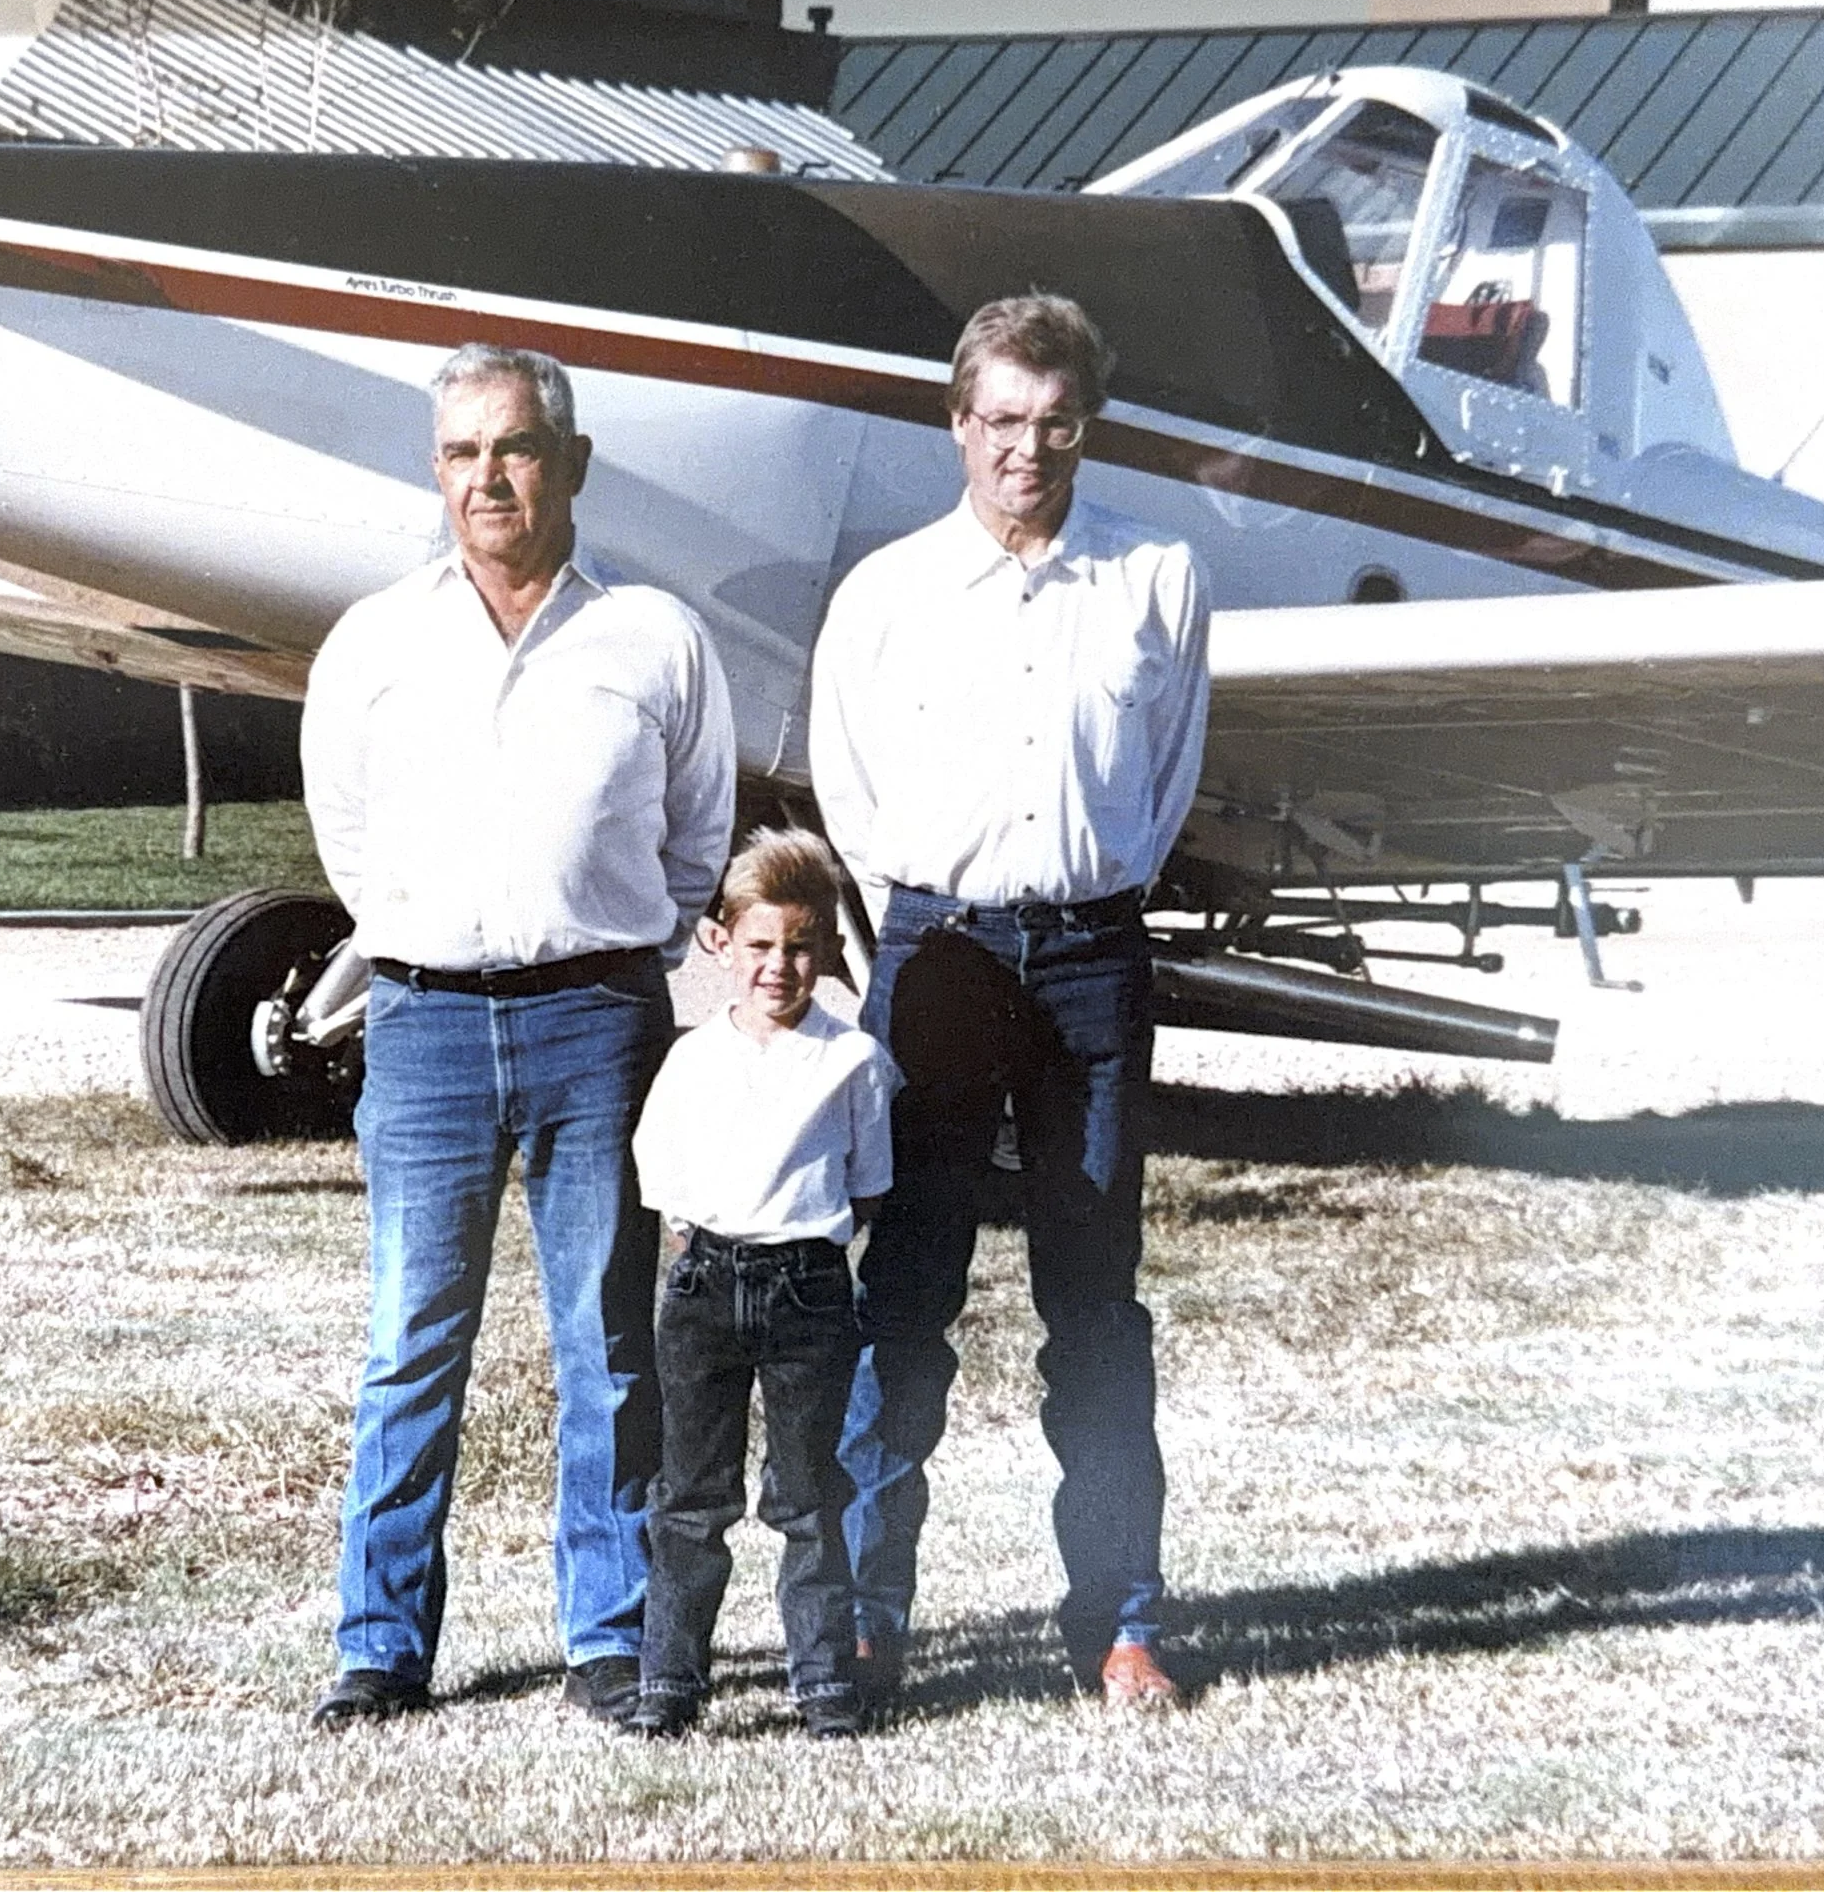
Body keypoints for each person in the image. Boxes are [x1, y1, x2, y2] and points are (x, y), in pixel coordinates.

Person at [299, 343, 737, 1725]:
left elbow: (698, 837)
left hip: (596, 1023)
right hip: (425, 1026)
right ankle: (381, 1645)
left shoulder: (655, 638)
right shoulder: (374, 640)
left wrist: (599, 942)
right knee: (409, 1341)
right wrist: (439, 937)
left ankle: (608, 1635)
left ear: (574, 460)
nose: (489, 476)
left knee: (608, 1338)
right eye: (461, 452)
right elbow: (351, 839)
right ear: (437, 471)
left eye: (517, 446)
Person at [808, 293, 1211, 1711]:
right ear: (956, 423)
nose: (1025, 450)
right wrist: (944, 922)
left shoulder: (1158, 578)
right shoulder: (887, 594)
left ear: (1084, 425)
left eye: (1053, 422)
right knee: (903, 1291)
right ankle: (867, 1616)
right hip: (938, 961)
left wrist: (1077, 902)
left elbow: (1161, 784)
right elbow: (851, 789)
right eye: (999, 421)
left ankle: (1120, 1620)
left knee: (1094, 1305)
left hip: (1095, 962)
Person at [624, 828, 899, 1741]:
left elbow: (866, 1184)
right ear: (722, 944)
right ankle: (670, 1676)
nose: (778, 967)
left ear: (824, 948)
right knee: (692, 1496)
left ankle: (822, 1678)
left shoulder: (851, 1059)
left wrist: (799, 1245)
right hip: (705, 1285)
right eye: (759, 946)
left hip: (809, 1291)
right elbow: (657, 1171)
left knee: (809, 1493)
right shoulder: (694, 1057)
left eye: (800, 947)